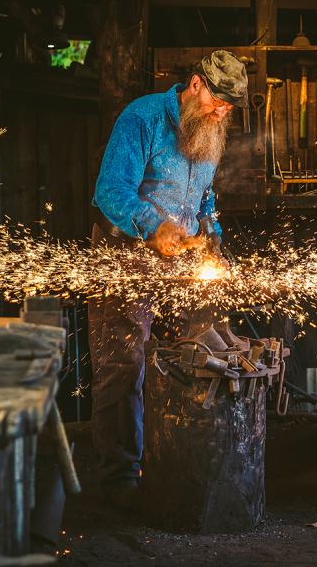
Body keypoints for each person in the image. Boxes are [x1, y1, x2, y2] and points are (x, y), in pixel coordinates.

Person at [89, 49, 248, 505]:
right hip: (124, 255)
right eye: (216, 101)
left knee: (197, 351)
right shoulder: (142, 119)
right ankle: (120, 478)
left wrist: (211, 231)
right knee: (125, 364)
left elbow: (204, 198)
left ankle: (178, 456)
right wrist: (151, 224)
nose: (221, 113)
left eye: (228, 108)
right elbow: (109, 190)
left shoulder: (210, 131)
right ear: (195, 84)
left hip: (179, 261)